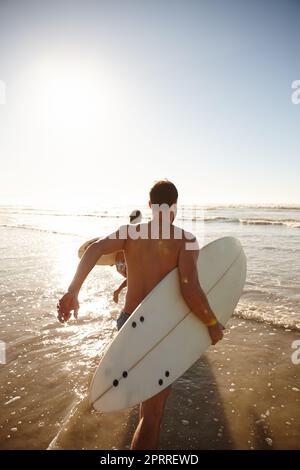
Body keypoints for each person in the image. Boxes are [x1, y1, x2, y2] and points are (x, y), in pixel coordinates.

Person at [57, 180, 223, 450]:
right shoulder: (185, 239)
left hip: (127, 323)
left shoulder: (130, 233)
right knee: (151, 415)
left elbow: (93, 249)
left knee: (145, 399)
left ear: (149, 205)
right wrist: (212, 323)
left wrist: (73, 292)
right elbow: (190, 289)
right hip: (158, 330)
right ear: (175, 207)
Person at [113, 209, 142, 304]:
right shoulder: (138, 231)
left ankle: (123, 296)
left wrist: (112, 261)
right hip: (125, 264)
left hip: (118, 264)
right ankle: (118, 291)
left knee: (133, 282)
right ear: (139, 218)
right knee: (135, 279)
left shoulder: (124, 230)